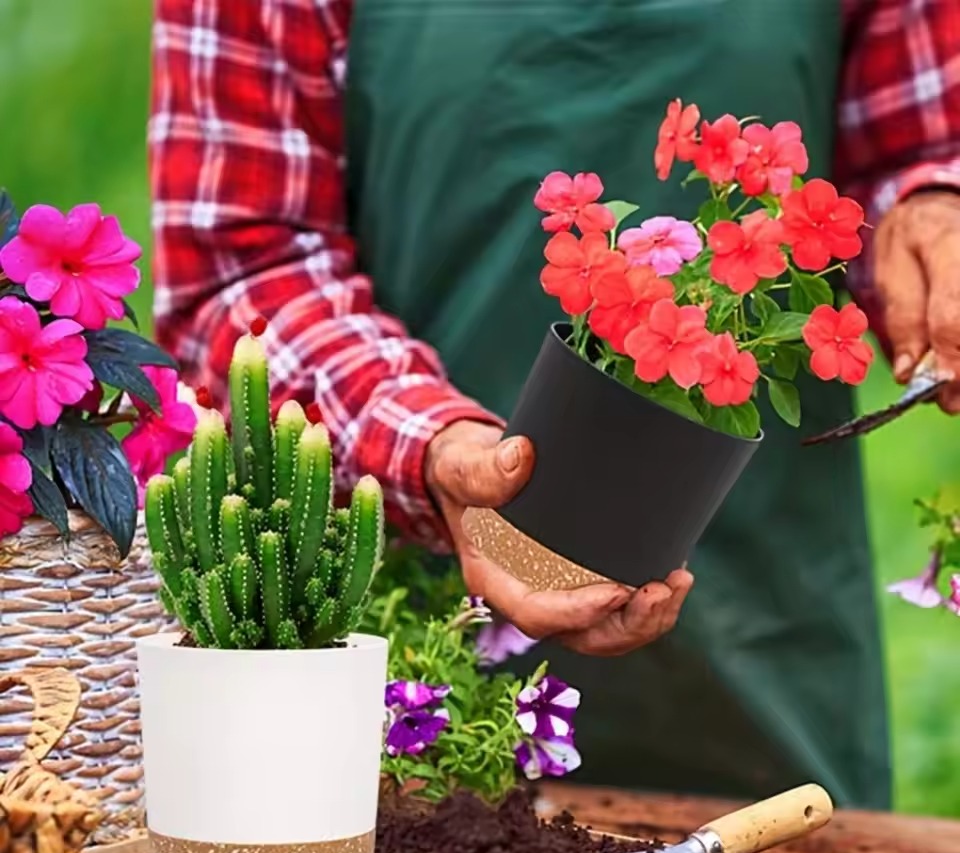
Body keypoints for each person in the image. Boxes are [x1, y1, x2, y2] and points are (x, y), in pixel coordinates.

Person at [150, 0, 960, 809]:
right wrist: (429, 444)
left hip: (766, 631)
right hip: (401, 646)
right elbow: (242, 263)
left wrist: (931, 210)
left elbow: (920, 145)